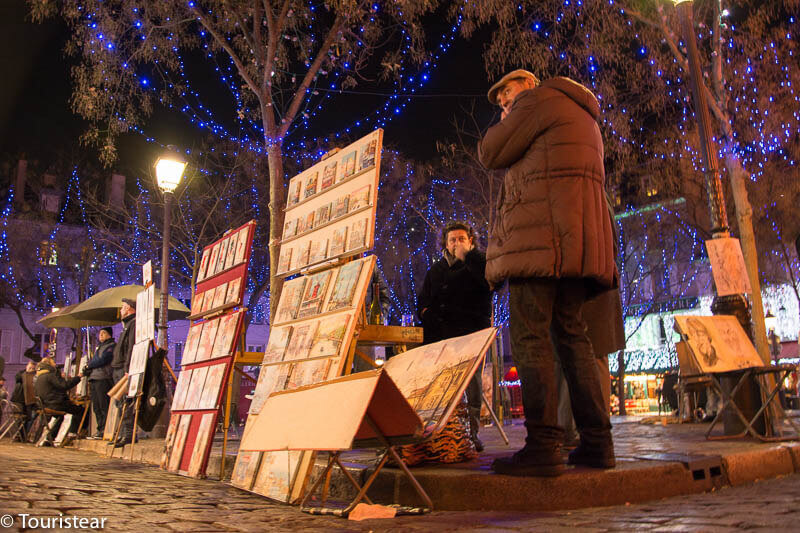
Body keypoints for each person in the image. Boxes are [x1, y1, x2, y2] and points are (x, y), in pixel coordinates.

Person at [479, 69, 617, 476]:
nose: (504, 101)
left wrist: (506, 121)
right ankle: (598, 443)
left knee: (529, 336)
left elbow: (489, 153)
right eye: (500, 97)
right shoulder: (582, 112)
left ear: (528, 85)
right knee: (573, 339)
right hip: (578, 244)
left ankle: (543, 444)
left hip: (540, 241)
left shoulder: (536, 103)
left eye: (507, 92)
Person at [417, 221, 491, 451]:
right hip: (441, 338)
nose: (456, 243)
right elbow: (423, 301)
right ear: (445, 244)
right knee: (444, 388)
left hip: (472, 336)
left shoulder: (478, 263)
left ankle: (471, 433)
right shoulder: (436, 270)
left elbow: (489, 282)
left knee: (472, 385)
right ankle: (446, 434)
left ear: (470, 241)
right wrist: (427, 314)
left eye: (461, 238)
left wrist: (469, 257)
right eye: (452, 240)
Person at [34, 357, 83, 443]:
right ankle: (73, 433)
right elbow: (64, 386)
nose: (55, 364)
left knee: (59, 416)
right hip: (55, 403)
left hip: (46, 404)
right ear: (49, 364)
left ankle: (49, 439)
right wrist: (78, 377)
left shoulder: (40, 376)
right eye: (53, 363)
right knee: (80, 411)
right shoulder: (51, 375)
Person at [110, 298, 136, 447]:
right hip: (119, 367)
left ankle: (127, 434)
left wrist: (127, 368)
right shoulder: (126, 325)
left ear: (128, 309)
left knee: (126, 402)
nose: (120, 311)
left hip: (124, 369)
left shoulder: (132, 324)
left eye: (122, 308)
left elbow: (131, 347)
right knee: (120, 403)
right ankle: (121, 433)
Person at [83, 327, 116, 438]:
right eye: (100, 333)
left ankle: (105, 430)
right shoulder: (99, 347)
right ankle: (100, 428)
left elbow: (103, 360)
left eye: (104, 333)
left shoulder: (111, 346)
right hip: (94, 378)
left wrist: (90, 365)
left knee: (103, 405)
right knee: (96, 406)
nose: (100, 335)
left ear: (109, 335)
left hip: (103, 378)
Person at [11, 361, 37, 436]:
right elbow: (18, 378)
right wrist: (27, 372)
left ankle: (23, 435)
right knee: (21, 418)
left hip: (28, 400)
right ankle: (18, 435)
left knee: (28, 418)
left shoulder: (34, 376)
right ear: (27, 366)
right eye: (30, 367)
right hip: (19, 399)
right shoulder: (21, 373)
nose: (31, 369)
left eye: (33, 368)